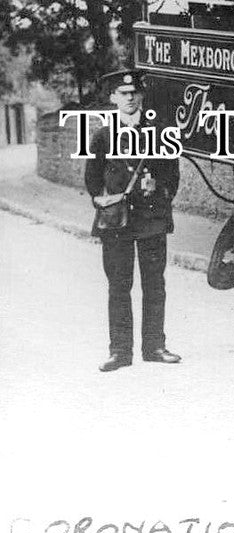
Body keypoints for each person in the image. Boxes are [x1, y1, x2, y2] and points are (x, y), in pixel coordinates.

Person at [84, 69, 181, 372]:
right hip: (117, 223)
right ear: (113, 97)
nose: (129, 98)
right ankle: (120, 352)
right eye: (122, 94)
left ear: (141, 96)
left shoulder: (159, 131)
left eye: (134, 93)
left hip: (151, 217)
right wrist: (105, 201)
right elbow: (92, 179)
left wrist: (160, 192)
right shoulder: (102, 135)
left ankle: (155, 346)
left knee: (155, 285)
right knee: (118, 286)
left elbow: (172, 176)